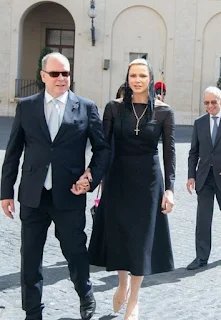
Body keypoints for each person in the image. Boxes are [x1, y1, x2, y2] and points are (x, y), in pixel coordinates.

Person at [0, 52, 110, 320]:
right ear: (43, 76)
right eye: (56, 74)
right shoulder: (26, 106)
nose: (62, 78)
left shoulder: (85, 107)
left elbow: (103, 150)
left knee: (75, 252)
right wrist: (6, 192)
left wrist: (90, 178)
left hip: (70, 194)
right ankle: (32, 312)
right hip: (32, 195)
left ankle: (85, 294)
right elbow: (13, 151)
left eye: (66, 73)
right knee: (30, 258)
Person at [86, 58, 175, 320]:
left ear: (150, 79)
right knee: (120, 235)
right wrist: (93, 176)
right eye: (133, 75)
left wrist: (170, 189)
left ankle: (134, 298)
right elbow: (103, 148)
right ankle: (122, 281)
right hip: (117, 179)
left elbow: (169, 153)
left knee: (141, 239)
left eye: (142, 76)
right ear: (127, 78)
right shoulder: (113, 108)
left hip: (148, 182)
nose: (137, 80)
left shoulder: (164, 111)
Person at [186, 86, 221, 271]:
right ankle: (201, 257)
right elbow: (193, 152)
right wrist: (191, 175)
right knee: (203, 220)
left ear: (220, 102)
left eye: (213, 102)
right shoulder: (199, 123)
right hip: (204, 178)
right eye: (206, 102)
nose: (210, 106)